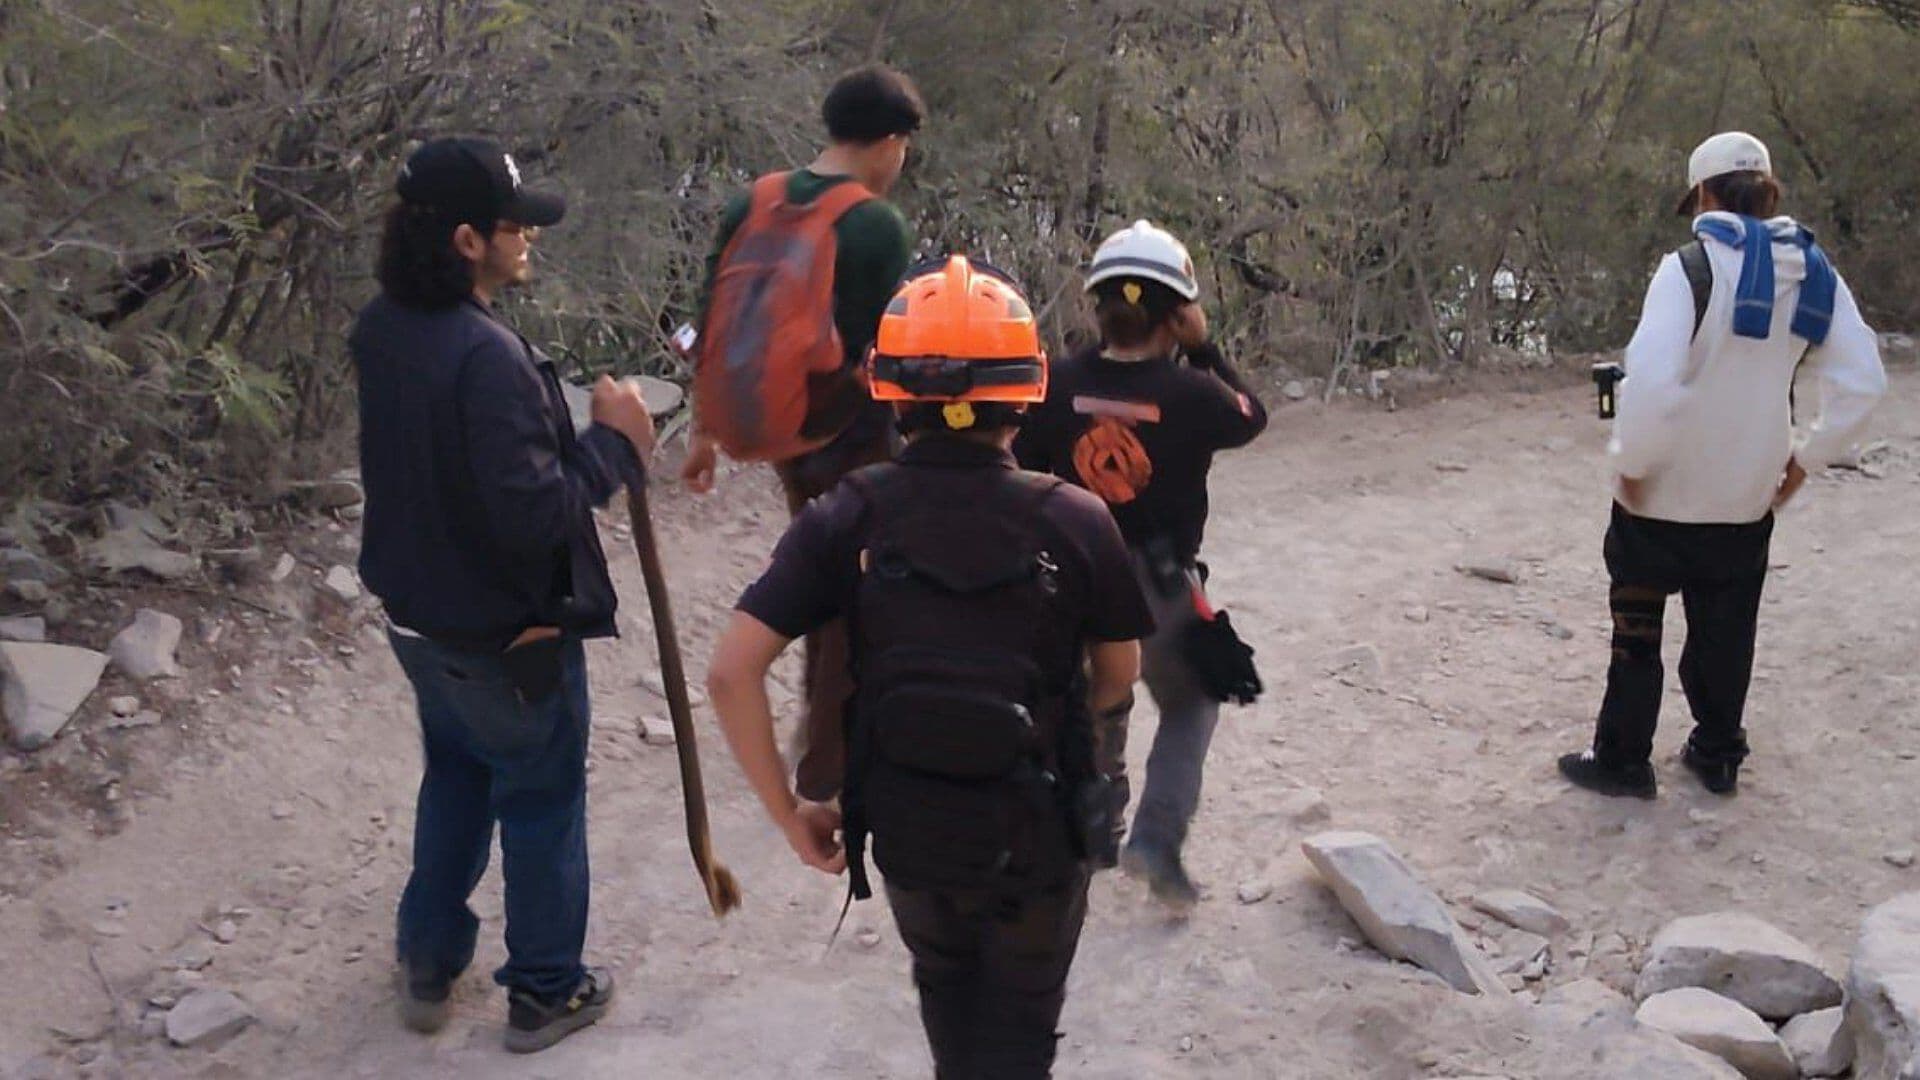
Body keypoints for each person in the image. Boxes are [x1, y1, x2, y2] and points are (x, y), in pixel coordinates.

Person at [706, 257, 1153, 1078]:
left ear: (889, 389)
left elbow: (733, 672)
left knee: (945, 992)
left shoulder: (849, 512)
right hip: (1040, 837)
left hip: (910, 828)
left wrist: (790, 813)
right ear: (1027, 389)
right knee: (1022, 1027)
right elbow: (1119, 674)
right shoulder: (1077, 520)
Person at [349, 136, 657, 1052]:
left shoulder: (384, 326)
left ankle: (428, 960)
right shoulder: (482, 354)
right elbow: (535, 516)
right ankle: (546, 992)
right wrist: (617, 444)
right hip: (505, 635)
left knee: (458, 771)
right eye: (515, 226)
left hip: (417, 616)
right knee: (541, 794)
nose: (529, 239)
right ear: (466, 241)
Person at [1557, 131, 1886, 800]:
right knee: (1727, 631)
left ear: (1704, 195)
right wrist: (1804, 463)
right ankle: (1717, 752)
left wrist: (1633, 461)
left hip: (1661, 496)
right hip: (1745, 497)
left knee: (1637, 630)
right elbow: (1864, 382)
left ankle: (1622, 759)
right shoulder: (1814, 273)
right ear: (1767, 193)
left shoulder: (1688, 268)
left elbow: (1651, 382)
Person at [684, 63, 922, 804]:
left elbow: (708, 323)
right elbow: (885, 347)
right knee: (863, 592)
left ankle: (815, 727)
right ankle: (829, 762)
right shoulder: (875, 223)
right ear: (889, 140)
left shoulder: (751, 201)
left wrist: (703, 432)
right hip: (848, 432)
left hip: (777, 432)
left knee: (822, 569)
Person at [1014, 220, 1268, 910]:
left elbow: (1023, 465)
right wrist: (1205, 348)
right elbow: (1252, 415)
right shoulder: (1196, 396)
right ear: (1177, 312)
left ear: (1098, 306)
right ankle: (1155, 841)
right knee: (1189, 706)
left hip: (1063, 577)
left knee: (1088, 702)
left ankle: (1088, 834)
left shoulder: (1054, 382)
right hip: (1155, 586)